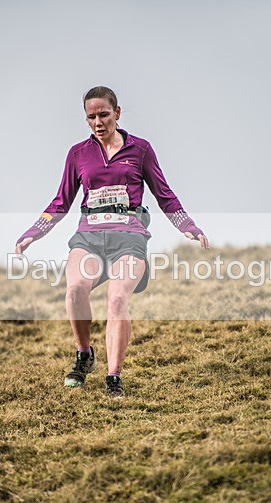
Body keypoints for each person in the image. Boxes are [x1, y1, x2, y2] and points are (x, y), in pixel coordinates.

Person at [15, 86, 209, 397]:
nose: (97, 122)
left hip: (128, 238)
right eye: (90, 117)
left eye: (103, 114)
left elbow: (164, 193)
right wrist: (33, 232)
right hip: (89, 237)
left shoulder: (141, 149)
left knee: (117, 300)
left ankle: (113, 377)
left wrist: (188, 225)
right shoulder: (78, 154)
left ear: (117, 113)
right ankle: (84, 354)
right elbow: (60, 201)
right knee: (75, 290)